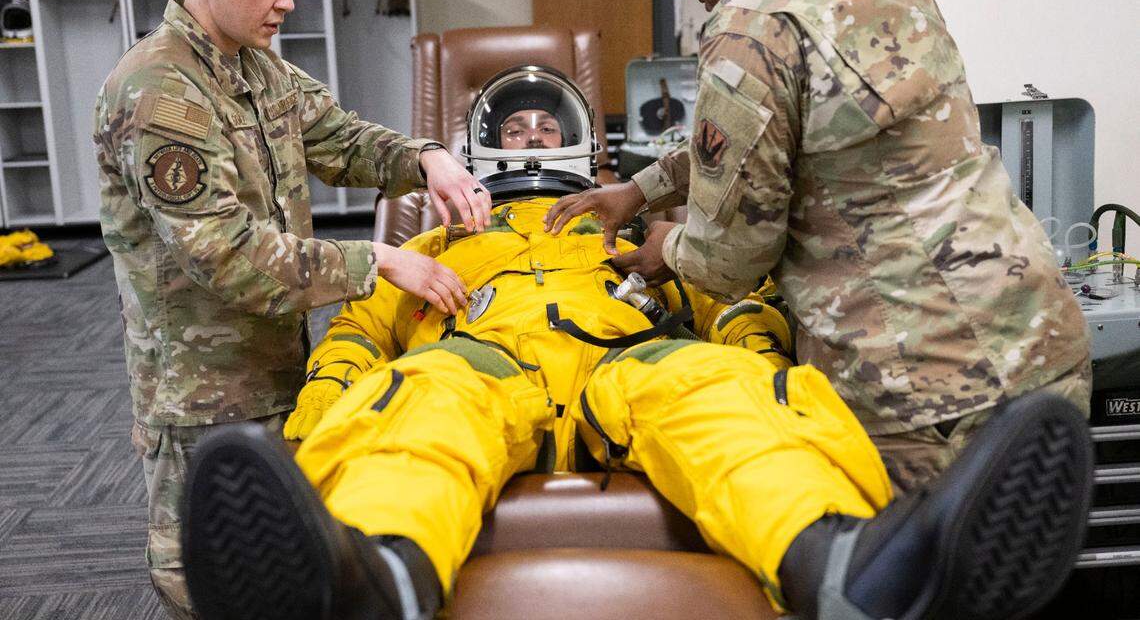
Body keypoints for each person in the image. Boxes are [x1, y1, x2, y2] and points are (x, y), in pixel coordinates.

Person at [181, 67, 1092, 620]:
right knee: (418, 411)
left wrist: (757, 357)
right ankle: (369, 576)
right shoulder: (432, 244)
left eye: (548, 127)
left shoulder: (631, 228)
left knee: (723, 398)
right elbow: (353, 338)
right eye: (516, 129)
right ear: (483, 147)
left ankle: (845, 566)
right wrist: (316, 427)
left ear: (584, 145)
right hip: (480, 360)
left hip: (629, 354)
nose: (533, 139)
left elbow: (722, 291)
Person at [544, 0, 1091, 494]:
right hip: (1036, 333)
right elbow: (807, 142)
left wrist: (663, 247)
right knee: (1021, 583)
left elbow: (727, 264)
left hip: (926, 386)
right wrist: (642, 189)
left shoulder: (750, 21)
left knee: (912, 586)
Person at [93, 0, 490, 618]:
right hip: (202, 399)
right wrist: (378, 263)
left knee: (288, 584)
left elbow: (340, 139)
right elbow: (225, 254)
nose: (288, 3)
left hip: (279, 368)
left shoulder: (256, 66)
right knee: (210, 591)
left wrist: (428, 157)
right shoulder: (160, 94)